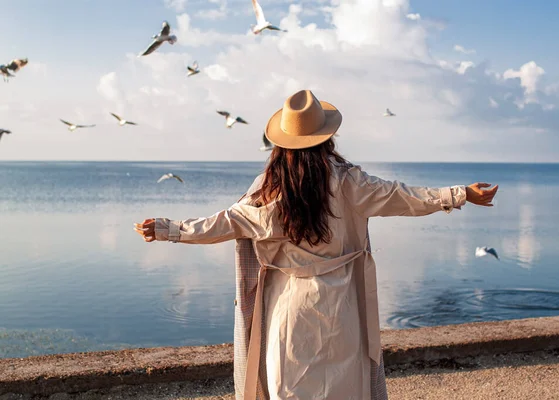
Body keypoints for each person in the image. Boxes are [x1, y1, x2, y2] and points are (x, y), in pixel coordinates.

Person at [134, 90, 498, 399]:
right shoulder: (350, 182)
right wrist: (460, 193)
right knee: (342, 386)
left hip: (287, 309)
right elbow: (404, 196)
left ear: (280, 145)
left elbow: (223, 223)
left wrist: (168, 229)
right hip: (342, 308)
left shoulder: (267, 191)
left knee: (289, 385)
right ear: (328, 137)